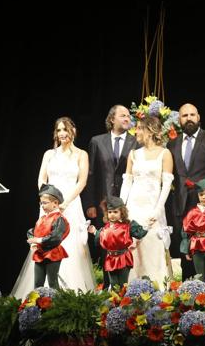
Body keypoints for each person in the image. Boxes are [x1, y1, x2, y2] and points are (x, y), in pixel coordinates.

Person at [12, 117, 96, 298]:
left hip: (70, 204)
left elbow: (82, 182)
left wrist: (64, 204)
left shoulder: (81, 154)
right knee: (46, 242)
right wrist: (46, 201)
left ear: (73, 131)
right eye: (59, 130)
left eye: (65, 129)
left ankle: (71, 293)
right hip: (49, 204)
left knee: (70, 243)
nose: (62, 134)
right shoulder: (49, 154)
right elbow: (42, 179)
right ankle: (41, 293)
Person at [167, 103, 205, 280]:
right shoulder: (172, 143)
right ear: (179, 120)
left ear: (198, 117)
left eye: (192, 115)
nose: (189, 118)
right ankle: (188, 291)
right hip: (181, 203)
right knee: (185, 249)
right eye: (185, 116)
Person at [84, 104, 138, 288]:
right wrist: (90, 203)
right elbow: (91, 174)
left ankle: (124, 286)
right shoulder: (97, 141)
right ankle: (108, 287)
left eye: (128, 116)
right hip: (103, 202)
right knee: (106, 243)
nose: (126, 118)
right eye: (122, 115)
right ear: (112, 119)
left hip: (127, 201)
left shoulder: (136, 141)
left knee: (124, 243)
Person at [120, 116, 174, 287]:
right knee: (135, 250)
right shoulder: (134, 154)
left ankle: (157, 290)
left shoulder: (164, 154)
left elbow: (166, 185)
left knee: (153, 248)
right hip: (133, 208)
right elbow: (127, 182)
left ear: (150, 131)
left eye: (140, 128)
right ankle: (133, 291)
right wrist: (120, 207)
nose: (136, 132)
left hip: (152, 208)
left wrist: (157, 211)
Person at [88, 196, 148, 288]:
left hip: (123, 257)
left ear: (122, 213)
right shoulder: (106, 228)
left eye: (115, 212)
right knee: (113, 284)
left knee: (123, 284)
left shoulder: (127, 226)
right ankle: (115, 301)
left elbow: (140, 233)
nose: (112, 214)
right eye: (110, 212)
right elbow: (101, 237)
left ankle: (123, 301)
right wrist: (95, 232)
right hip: (110, 258)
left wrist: (147, 225)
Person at [27, 184, 70, 289]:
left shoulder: (59, 219)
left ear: (55, 203)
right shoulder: (42, 218)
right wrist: (33, 241)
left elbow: (56, 237)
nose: (42, 205)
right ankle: (37, 303)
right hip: (40, 253)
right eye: (41, 203)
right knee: (37, 282)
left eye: (45, 203)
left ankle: (57, 303)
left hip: (53, 253)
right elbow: (33, 231)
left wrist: (39, 240)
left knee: (52, 282)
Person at [181, 178, 205, 284]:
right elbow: (185, 232)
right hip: (196, 245)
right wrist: (186, 249)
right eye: (201, 194)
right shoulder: (192, 212)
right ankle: (202, 298)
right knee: (199, 275)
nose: (203, 197)